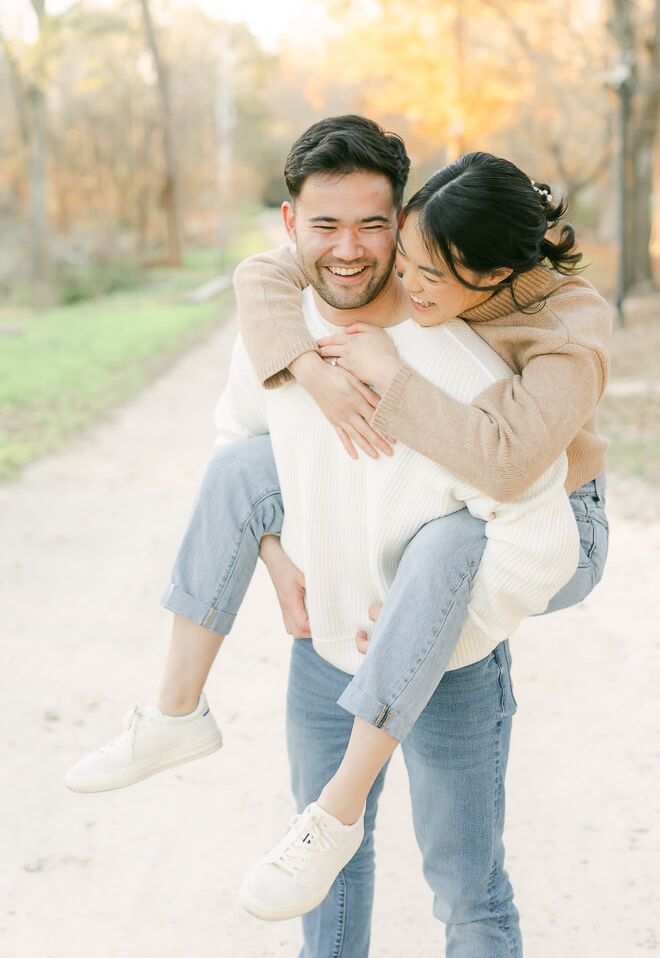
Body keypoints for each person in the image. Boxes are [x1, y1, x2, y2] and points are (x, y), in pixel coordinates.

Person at [66, 116, 610, 955]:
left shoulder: (508, 345)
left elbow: (517, 494)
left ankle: (339, 804)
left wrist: (427, 621)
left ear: (404, 230)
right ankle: (176, 711)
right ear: (293, 227)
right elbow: (244, 427)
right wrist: (278, 554)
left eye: (379, 233)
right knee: (327, 889)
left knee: (468, 888)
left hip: (496, 575)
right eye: (324, 226)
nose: (358, 254)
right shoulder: (295, 310)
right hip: (334, 637)